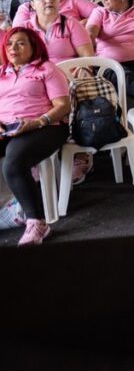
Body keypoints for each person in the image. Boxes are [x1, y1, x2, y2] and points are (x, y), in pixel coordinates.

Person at [0, 27, 72, 245]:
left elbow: (63, 106)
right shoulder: (2, 72)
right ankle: (13, 208)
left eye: (21, 43)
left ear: (34, 47)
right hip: (8, 127)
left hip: (45, 126)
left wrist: (37, 122)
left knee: (13, 162)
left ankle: (37, 222)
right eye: (10, 43)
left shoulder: (47, 69)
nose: (14, 48)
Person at [22, 0, 94, 64]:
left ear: (59, 1)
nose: (48, 1)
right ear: (33, 4)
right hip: (36, 75)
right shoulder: (24, 29)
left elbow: (88, 58)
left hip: (70, 75)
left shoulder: (71, 24)